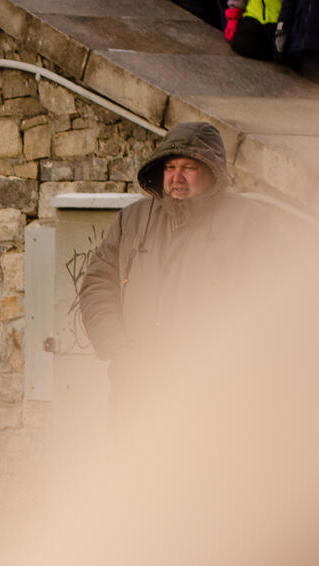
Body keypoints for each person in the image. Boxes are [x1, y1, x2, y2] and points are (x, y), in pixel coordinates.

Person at [78, 121, 274, 424]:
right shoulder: (132, 220)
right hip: (136, 394)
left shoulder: (249, 224)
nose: (177, 178)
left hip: (214, 402)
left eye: (189, 168)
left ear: (213, 171)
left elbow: (269, 309)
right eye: (170, 167)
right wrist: (120, 351)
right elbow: (97, 285)